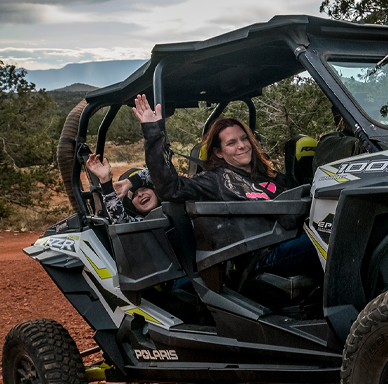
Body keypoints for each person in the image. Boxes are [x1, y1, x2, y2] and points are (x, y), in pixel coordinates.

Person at [132, 94, 318, 277]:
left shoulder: (270, 175)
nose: (242, 146)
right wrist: (153, 134)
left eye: (244, 138)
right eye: (231, 143)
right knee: (327, 242)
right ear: (219, 153)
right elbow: (170, 188)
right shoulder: (215, 180)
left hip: (292, 237)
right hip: (261, 256)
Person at [85, 154, 159, 224]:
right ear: (132, 206)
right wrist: (105, 181)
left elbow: (164, 172)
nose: (140, 194)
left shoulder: (170, 199)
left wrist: (130, 182)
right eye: (134, 195)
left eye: (144, 189)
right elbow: (119, 219)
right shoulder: (138, 223)